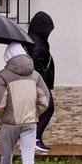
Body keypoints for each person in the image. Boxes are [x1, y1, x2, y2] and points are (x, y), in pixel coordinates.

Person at [0, 42, 50, 164]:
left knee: (6, 157)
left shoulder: (3, 75)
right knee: (28, 158)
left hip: (9, 123)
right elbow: (45, 100)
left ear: (8, 56)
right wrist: (35, 113)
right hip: (30, 122)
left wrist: (2, 116)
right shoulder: (35, 75)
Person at [25, 11, 56, 152]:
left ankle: (32, 138)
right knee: (48, 108)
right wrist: (43, 79)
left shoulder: (36, 40)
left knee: (39, 110)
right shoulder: (36, 42)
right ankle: (35, 139)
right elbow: (37, 64)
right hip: (38, 83)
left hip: (36, 82)